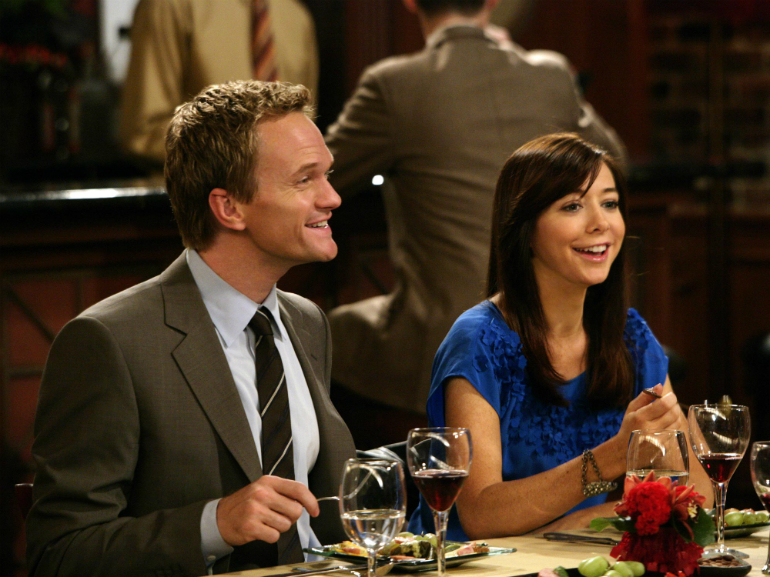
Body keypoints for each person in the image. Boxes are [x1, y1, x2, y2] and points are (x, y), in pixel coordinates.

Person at [26, 80, 355, 576]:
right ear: (229, 208)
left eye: (327, 175)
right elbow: (59, 554)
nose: (332, 197)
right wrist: (212, 525)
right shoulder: (108, 342)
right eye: (305, 179)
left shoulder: (307, 322)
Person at [325, 0, 627, 445]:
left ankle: (360, 477)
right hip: (553, 321)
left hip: (445, 329)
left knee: (319, 331)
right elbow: (616, 164)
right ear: (492, 2)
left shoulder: (393, 84)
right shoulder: (549, 73)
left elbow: (315, 176)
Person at [408, 133, 713, 540]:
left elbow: (699, 496)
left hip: (577, 558)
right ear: (525, 228)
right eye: (572, 206)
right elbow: (480, 514)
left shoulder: (629, 336)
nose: (600, 223)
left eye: (610, 203)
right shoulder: (479, 341)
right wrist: (612, 458)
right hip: (476, 564)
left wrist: (598, 515)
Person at [120, 0, 318, 165]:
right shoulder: (170, 5)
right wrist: (247, 156)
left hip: (287, 195)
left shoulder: (296, 16)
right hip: (195, 195)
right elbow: (144, 132)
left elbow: (305, 121)